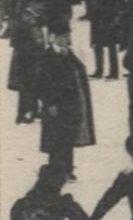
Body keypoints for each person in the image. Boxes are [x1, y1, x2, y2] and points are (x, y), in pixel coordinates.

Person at [32, 21, 95, 179]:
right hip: (54, 105)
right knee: (55, 138)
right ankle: (55, 169)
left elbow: (79, 71)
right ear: (53, 37)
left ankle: (67, 168)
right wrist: (49, 103)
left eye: (68, 36)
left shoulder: (69, 54)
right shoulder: (46, 56)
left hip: (70, 104)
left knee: (68, 136)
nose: (68, 39)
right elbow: (39, 83)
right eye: (65, 36)